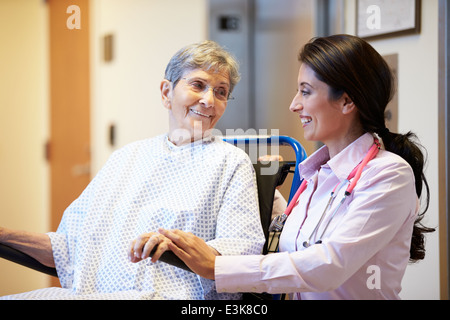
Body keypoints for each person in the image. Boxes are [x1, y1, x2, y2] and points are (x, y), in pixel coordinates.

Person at [157, 34, 435, 300]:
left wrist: (215, 267)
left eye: (306, 91)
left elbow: (328, 265)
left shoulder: (388, 175)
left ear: (347, 100)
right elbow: (294, 243)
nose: (294, 104)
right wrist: (265, 190)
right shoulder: (318, 175)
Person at [0, 40, 265, 300]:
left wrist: (180, 248)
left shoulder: (231, 162)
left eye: (221, 92)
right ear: (166, 92)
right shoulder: (126, 157)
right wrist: (5, 234)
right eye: (198, 85)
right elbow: (68, 247)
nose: (209, 100)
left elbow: (241, 256)